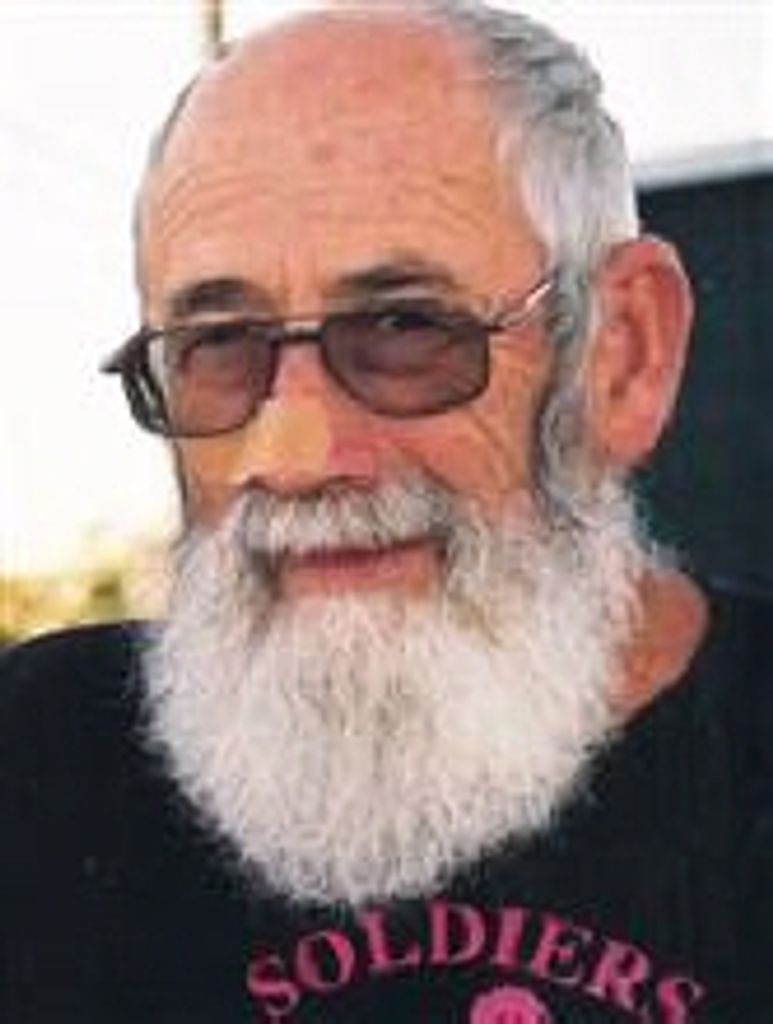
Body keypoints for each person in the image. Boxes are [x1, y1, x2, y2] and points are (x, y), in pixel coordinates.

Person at [1, 1, 770, 1021]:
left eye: (406, 327)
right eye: (218, 343)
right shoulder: (45, 770)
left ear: (621, 355)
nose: (292, 454)